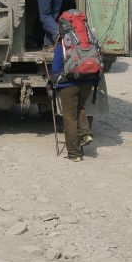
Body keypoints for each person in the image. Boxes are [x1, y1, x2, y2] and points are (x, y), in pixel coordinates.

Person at [50, 11, 99, 162]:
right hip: (88, 81)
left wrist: (53, 82)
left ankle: (74, 154)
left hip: (69, 85)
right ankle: (85, 133)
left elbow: (57, 67)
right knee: (79, 108)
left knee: (70, 118)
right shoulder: (90, 39)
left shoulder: (64, 42)